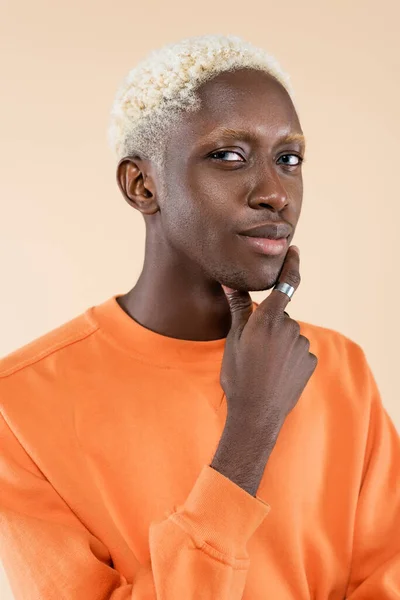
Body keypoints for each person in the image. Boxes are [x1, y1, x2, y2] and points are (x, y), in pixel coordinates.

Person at [0, 34, 399, 600]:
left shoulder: (339, 368)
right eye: (229, 156)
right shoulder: (17, 406)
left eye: (289, 159)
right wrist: (250, 431)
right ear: (142, 185)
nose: (274, 193)